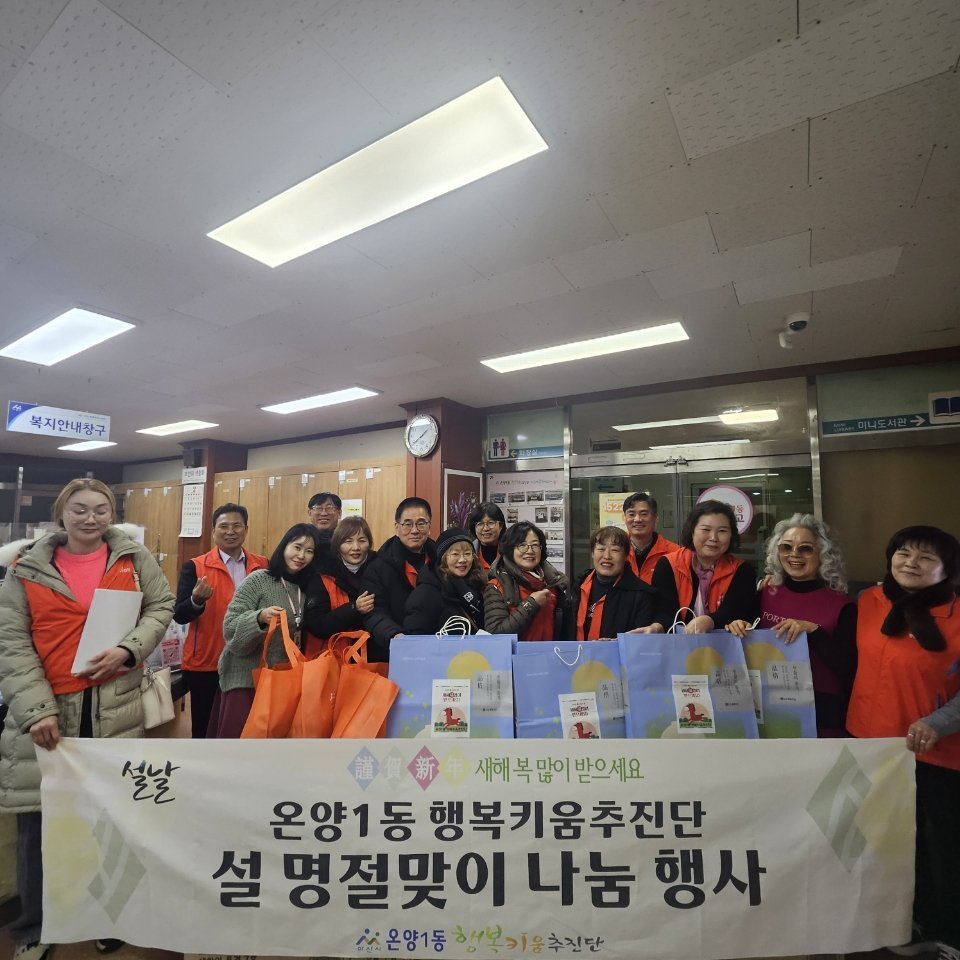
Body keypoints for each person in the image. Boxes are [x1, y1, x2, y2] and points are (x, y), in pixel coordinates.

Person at [0, 478, 174, 960]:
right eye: (79, 509)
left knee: (111, 818)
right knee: (39, 823)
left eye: (101, 509)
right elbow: (11, 641)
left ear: (112, 514)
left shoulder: (133, 558)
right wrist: (36, 709)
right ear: (62, 513)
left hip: (114, 707)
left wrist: (128, 649)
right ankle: (35, 927)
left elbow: (160, 606)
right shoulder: (27, 567)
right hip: (49, 710)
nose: (90, 518)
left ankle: (107, 914)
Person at [847, 526, 960, 957]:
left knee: (941, 848)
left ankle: (948, 932)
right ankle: (905, 921)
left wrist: (939, 723)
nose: (911, 563)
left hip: (936, 753)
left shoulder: (957, 614)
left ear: (947, 569)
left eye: (926, 557)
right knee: (887, 842)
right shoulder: (869, 601)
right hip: (871, 745)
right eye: (903, 552)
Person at [726, 514, 857, 737]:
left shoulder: (843, 605)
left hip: (823, 711)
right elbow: (749, 636)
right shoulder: (765, 593)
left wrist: (814, 631)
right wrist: (738, 626)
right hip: (769, 706)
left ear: (824, 554)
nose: (794, 555)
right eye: (786, 547)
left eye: (805, 549)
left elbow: (849, 667)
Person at [215, 524, 327, 737]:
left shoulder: (307, 588)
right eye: (297, 547)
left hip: (281, 680)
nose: (301, 556)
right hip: (246, 679)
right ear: (284, 546)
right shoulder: (259, 580)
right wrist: (259, 618)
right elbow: (229, 626)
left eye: (309, 551)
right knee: (239, 745)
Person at [173, 502, 268, 738]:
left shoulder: (262, 566)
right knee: (205, 729)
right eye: (224, 526)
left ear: (246, 529)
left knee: (245, 726)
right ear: (214, 531)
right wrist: (196, 600)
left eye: (237, 526)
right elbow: (180, 614)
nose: (231, 531)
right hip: (207, 661)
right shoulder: (196, 566)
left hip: (250, 659)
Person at [652, 499, 758, 632]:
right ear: (692, 531)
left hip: (723, 643)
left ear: (731, 535)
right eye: (706, 529)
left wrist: (710, 621)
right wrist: (657, 626)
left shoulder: (743, 571)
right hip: (677, 641)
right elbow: (664, 612)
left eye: (722, 531)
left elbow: (735, 612)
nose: (713, 538)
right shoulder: (668, 564)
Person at [362, 497, 437, 661]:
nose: (414, 530)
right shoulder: (378, 566)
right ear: (397, 527)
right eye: (407, 524)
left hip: (436, 648)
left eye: (421, 523)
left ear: (429, 527)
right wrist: (394, 635)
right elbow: (373, 612)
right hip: (393, 651)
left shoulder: (441, 561)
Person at [573, 527, 667, 639]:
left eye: (615, 550)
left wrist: (613, 643)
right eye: (601, 549)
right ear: (592, 553)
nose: (607, 556)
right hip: (578, 650)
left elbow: (639, 641)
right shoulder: (580, 585)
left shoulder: (643, 595)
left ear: (626, 556)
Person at [484, 521, 569, 640]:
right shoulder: (496, 586)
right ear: (510, 550)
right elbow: (495, 634)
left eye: (535, 545)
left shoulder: (552, 584)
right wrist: (530, 604)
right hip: (516, 652)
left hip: (550, 651)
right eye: (522, 545)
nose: (529, 551)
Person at [304, 516, 376, 641]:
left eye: (362, 540)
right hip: (336, 650)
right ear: (337, 545)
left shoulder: (379, 570)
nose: (356, 547)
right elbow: (316, 624)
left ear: (369, 543)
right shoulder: (323, 576)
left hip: (373, 649)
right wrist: (354, 608)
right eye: (348, 541)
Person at [403, 528, 487, 634]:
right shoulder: (427, 593)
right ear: (443, 558)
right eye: (455, 554)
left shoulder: (478, 585)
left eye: (467, 553)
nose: (462, 560)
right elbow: (414, 637)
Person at [622, 492, 681, 583]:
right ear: (624, 518)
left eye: (644, 514)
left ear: (656, 518)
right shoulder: (616, 549)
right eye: (631, 514)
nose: (637, 519)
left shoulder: (675, 553)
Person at [468, 501, 506, 571]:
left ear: (501, 525)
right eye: (480, 524)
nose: (485, 528)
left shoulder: (511, 551)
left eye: (491, 523)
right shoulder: (468, 552)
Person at [307, 492, 342, 565]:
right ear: (309, 513)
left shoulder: (345, 538)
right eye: (318, 508)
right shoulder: (302, 536)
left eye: (329, 508)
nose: (323, 513)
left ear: (339, 513)